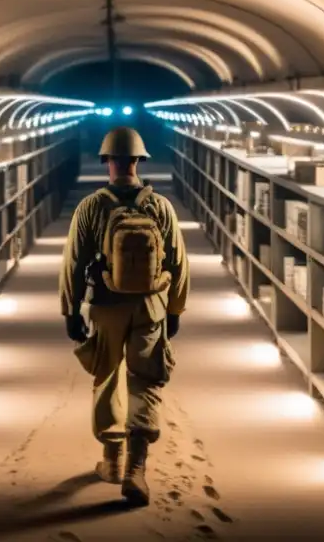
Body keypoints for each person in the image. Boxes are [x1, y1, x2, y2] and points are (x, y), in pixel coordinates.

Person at [59, 126, 190, 506]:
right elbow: (179, 262)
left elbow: (73, 262)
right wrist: (176, 309)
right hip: (150, 306)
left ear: (107, 162)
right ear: (138, 161)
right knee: (146, 379)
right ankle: (137, 469)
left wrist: (70, 310)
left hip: (104, 306)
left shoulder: (91, 207)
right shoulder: (160, 207)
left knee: (107, 378)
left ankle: (112, 460)